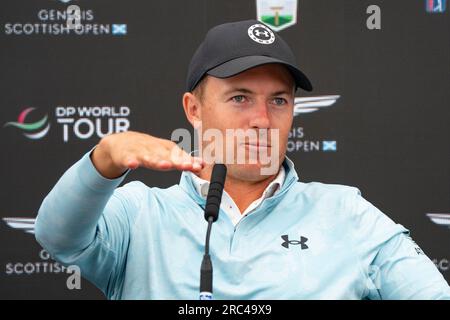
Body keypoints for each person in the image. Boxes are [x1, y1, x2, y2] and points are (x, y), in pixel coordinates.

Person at [35, 19, 450, 300]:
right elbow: (57, 236)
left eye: (279, 101)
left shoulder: (346, 213)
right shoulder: (141, 212)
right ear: (193, 110)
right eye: (240, 98)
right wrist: (104, 158)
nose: (262, 120)